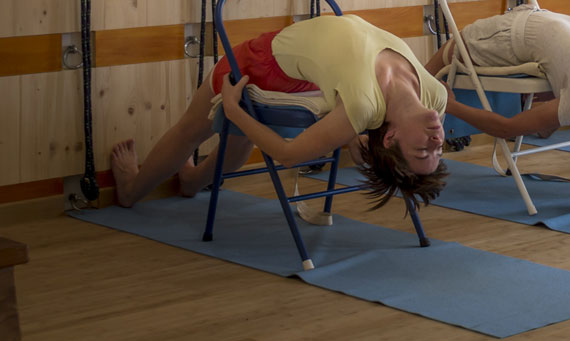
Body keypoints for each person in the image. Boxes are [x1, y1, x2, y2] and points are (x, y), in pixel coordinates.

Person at [110, 13, 449, 211]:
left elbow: (287, 155)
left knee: (191, 129)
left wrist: (233, 108)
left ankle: (131, 190)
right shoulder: (435, 97)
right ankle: (192, 180)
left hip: (264, 65)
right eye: (437, 149)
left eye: (422, 149)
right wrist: (354, 137)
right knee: (237, 143)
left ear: (392, 137)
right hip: (309, 77)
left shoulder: (362, 106)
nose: (436, 140)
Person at [428, 6, 570, 217]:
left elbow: (505, 128)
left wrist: (451, 105)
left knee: (423, 79)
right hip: (533, 13)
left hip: (502, 38)